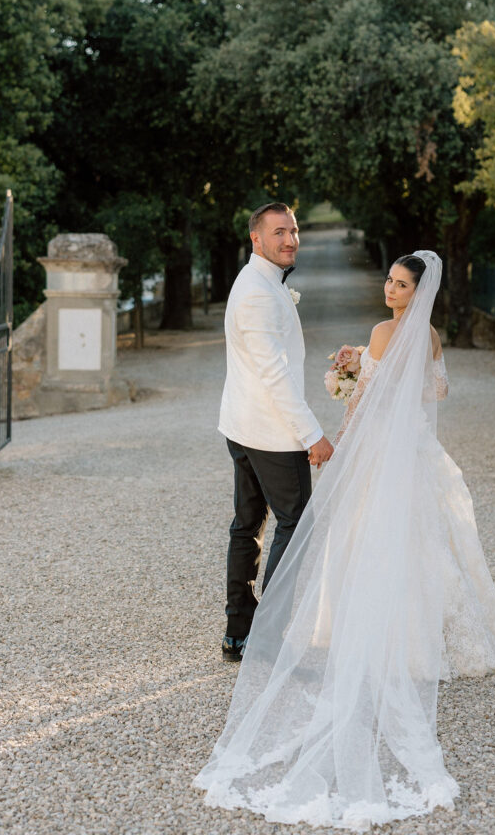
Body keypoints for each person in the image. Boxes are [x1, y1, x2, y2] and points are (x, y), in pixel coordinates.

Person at [195, 250, 495, 829]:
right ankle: (436, 638)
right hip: (416, 449)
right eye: (389, 282)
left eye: (399, 285)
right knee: (429, 539)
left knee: (365, 536)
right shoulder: (434, 337)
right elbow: (435, 393)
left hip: (378, 452)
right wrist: (367, 371)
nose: (389, 290)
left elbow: (368, 397)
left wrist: (343, 415)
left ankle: (353, 629)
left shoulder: (380, 331)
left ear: (415, 292)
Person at [218, 202, 334, 661]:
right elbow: (274, 375)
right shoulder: (257, 294)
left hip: (244, 427)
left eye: (294, 231)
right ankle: (265, 638)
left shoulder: (259, 283)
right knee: (295, 524)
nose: (289, 240)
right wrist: (312, 434)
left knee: (247, 527)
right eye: (279, 232)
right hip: (270, 435)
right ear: (257, 240)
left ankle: (239, 635)